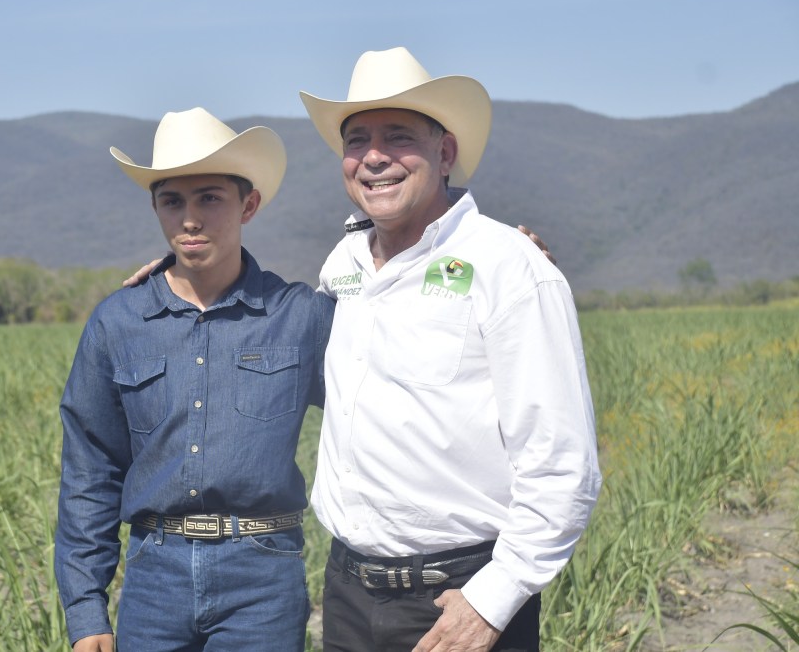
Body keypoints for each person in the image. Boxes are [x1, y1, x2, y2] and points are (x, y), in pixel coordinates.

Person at [299, 47, 602, 651]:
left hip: (460, 598)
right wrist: (187, 277)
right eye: (357, 139)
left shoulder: (509, 267)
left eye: (399, 136)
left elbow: (562, 465)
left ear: (445, 153)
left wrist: (492, 604)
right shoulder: (344, 265)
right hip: (348, 593)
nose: (375, 156)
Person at [54, 107, 335, 652]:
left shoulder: (299, 316)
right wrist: (86, 610)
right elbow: (91, 470)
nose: (190, 218)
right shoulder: (119, 322)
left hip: (263, 577)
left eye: (210, 197)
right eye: (172, 200)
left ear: (247, 204)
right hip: (154, 577)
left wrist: (495, 261)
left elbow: (402, 372)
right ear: (155, 207)